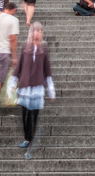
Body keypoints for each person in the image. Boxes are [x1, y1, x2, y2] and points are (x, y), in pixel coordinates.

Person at [15, 22, 54, 151]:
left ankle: (28, 137)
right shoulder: (24, 47)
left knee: (34, 114)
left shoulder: (43, 49)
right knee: (25, 114)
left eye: (40, 32)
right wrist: (12, 83)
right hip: (25, 87)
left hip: (37, 88)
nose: (38, 35)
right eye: (35, 32)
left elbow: (47, 69)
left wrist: (51, 89)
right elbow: (18, 67)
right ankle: (27, 137)